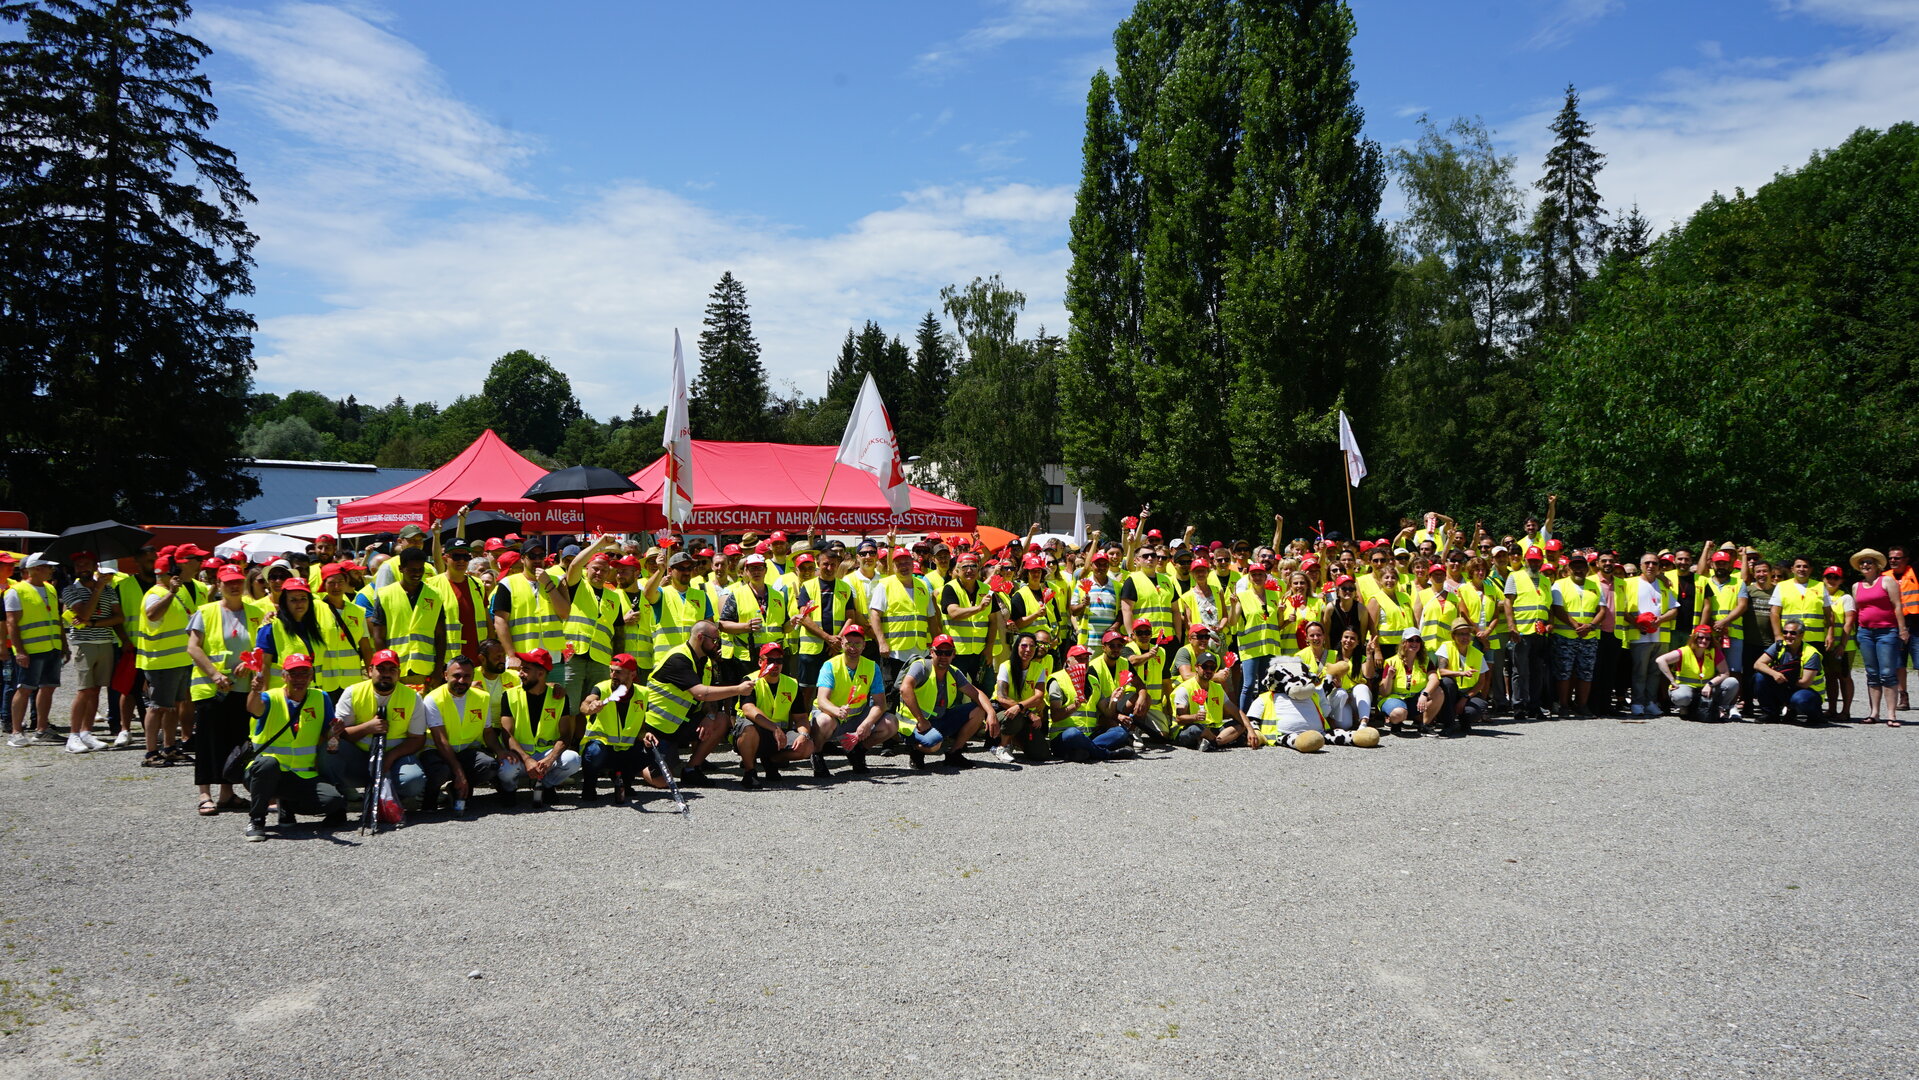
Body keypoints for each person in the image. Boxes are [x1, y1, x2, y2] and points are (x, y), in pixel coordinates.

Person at [184, 566, 266, 815]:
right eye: (228, 582)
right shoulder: (206, 611)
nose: (233, 586)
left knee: (235, 741)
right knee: (209, 742)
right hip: (212, 689)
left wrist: (250, 662)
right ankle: (204, 794)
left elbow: (261, 646)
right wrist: (214, 674)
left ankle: (227, 794)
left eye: (237, 582)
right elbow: (193, 648)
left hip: (242, 689)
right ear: (218, 584)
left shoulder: (255, 611)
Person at [240, 652, 346, 841]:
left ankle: (287, 803)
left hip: (301, 774)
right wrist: (254, 691)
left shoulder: (321, 698)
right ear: (284, 676)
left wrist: (334, 733)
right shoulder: (270, 697)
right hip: (263, 773)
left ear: (311, 675)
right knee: (268, 765)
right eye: (294, 674)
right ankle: (256, 820)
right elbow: (253, 708)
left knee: (334, 801)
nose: (299, 679)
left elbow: (327, 734)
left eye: (304, 673)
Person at [639, 619, 742, 789]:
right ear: (701, 637)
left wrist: (709, 716)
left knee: (721, 719)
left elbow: (711, 699)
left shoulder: (706, 661)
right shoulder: (678, 659)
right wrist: (738, 689)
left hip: (682, 724)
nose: (718, 645)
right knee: (662, 782)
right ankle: (639, 762)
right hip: (658, 729)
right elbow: (701, 693)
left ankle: (691, 769)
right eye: (715, 640)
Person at [329, 648, 429, 810]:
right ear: (370, 671)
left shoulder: (412, 697)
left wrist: (390, 757)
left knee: (414, 781)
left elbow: (418, 739)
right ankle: (341, 792)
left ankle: (394, 797)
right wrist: (368, 727)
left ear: (399, 673)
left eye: (392, 669)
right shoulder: (352, 692)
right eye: (380, 669)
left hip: (396, 757)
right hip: (360, 755)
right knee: (329, 753)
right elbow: (339, 736)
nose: (386, 674)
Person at [495, 647, 583, 804]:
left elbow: (565, 736)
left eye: (526, 670)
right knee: (506, 769)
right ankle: (509, 789)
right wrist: (527, 759)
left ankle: (546, 785)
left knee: (574, 760)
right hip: (519, 755)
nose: (520, 673)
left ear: (541, 674)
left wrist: (549, 760)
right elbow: (506, 733)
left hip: (545, 755)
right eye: (521, 668)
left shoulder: (559, 697)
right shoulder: (509, 695)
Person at [898, 633, 996, 768]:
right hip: (914, 722)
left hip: (938, 718)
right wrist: (921, 720)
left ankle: (954, 754)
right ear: (932, 652)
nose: (943, 656)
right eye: (939, 652)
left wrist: (991, 713)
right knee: (934, 744)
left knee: (979, 709)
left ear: (953, 654)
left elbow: (976, 693)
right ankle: (915, 750)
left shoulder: (954, 672)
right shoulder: (921, 666)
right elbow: (905, 689)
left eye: (948, 653)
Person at [807, 623, 892, 776]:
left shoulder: (872, 667)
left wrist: (867, 724)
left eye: (857, 643)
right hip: (833, 717)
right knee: (824, 721)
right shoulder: (830, 665)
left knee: (891, 723)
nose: (853, 648)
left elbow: (880, 703)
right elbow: (821, 700)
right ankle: (817, 754)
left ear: (864, 646)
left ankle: (857, 752)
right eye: (849, 643)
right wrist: (836, 711)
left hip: (857, 718)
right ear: (842, 644)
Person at [136, 553, 196, 765]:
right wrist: (171, 593)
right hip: (160, 662)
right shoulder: (156, 594)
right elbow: (152, 615)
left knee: (173, 706)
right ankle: (151, 752)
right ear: (163, 575)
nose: (176, 577)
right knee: (157, 706)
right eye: (173, 574)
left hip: (178, 660)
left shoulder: (173, 594)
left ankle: (170, 746)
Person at [58, 551, 120, 753]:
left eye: (86, 564)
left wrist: (92, 622)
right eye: (78, 566)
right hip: (84, 644)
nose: (82, 568)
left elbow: (119, 618)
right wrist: (98, 590)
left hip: (105, 641)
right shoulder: (70, 590)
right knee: (84, 690)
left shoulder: (110, 591)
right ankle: (73, 735)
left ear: (94, 566)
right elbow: (82, 612)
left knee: (96, 689)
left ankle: (86, 732)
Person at [730, 643, 811, 788]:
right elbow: (748, 709)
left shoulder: (791, 683)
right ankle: (750, 771)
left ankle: (771, 761)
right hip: (753, 731)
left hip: (778, 735)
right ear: (760, 662)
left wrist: (803, 735)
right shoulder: (750, 680)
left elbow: (801, 717)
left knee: (808, 746)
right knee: (749, 729)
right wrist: (774, 728)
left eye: (779, 661)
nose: (775, 665)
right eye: (770, 660)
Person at [416, 654, 490, 814]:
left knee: (489, 766)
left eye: (467, 676)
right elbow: (440, 740)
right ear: (445, 675)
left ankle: (457, 790)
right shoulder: (433, 699)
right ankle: (430, 798)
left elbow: (488, 731)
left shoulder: (483, 698)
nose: (462, 681)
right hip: (437, 751)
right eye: (456, 676)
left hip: (466, 751)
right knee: (439, 771)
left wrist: (501, 753)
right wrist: (459, 772)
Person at [4, 553, 65, 748]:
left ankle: (41, 729)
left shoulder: (50, 588)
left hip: (52, 647)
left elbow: (56, 617)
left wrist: (63, 644)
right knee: (24, 688)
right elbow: (11, 623)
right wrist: (19, 651)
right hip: (30, 650)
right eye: (48, 567)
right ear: (37, 568)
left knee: (48, 687)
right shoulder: (16, 591)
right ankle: (16, 732)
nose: (51, 570)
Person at [369, 547, 446, 688]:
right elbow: (379, 636)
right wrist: (385, 668)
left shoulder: (435, 595)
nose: (417, 574)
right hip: (395, 669)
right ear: (401, 569)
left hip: (425, 670)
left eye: (420, 569)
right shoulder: (385, 594)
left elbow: (440, 635)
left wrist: (438, 669)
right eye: (412, 570)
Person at [1042, 643, 1133, 762]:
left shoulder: (1093, 680)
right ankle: (1106, 754)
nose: (1084, 662)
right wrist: (1073, 707)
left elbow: (1108, 712)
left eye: (1086, 659)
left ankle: (1086, 751)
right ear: (1068, 662)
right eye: (1079, 659)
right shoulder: (1057, 680)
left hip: (1088, 736)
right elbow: (1055, 716)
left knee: (1120, 732)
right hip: (1063, 736)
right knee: (1073, 733)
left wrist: (1114, 700)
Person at [579, 651, 650, 800]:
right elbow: (585, 704)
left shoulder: (643, 693)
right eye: (611, 671)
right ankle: (589, 787)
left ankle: (625, 781)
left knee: (651, 750)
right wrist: (590, 708)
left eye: (618, 672)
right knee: (595, 753)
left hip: (626, 749)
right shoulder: (602, 688)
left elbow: (648, 720)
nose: (613, 675)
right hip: (602, 747)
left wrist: (647, 734)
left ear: (632, 674)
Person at [1848, 548, 1907, 725]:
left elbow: (1897, 606)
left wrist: (1902, 629)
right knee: (1872, 673)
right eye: (1862, 563)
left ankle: (1891, 714)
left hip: (1887, 631)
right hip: (1865, 632)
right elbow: (1858, 610)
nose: (1865, 565)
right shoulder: (1856, 586)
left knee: (1888, 673)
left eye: (1869, 562)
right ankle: (1874, 713)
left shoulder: (1887, 581)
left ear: (1877, 566)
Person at [1549, 552, 1604, 717]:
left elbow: (1602, 610)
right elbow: (1558, 610)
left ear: (1587, 569)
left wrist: (1591, 625)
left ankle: (1582, 705)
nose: (1578, 569)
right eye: (1575, 566)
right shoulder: (1559, 584)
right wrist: (1575, 626)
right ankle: (1564, 706)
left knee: (1586, 673)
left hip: (1589, 636)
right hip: (1565, 636)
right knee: (1564, 673)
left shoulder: (1594, 585)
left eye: (1581, 566)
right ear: (1568, 568)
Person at [1503, 548, 1554, 719]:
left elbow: (1548, 606)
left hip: (1540, 633)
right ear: (1525, 560)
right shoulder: (1514, 577)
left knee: (1537, 671)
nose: (1534, 563)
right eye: (1531, 560)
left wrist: (1550, 624)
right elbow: (1507, 603)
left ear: (1541, 561)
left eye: (1537, 560)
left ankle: (1534, 705)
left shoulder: (1546, 580)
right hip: (1522, 632)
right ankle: (1519, 705)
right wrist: (1511, 626)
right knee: (1520, 671)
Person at [1655, 624, 1738, 722]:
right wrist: (1672, 681)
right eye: (1700, 637)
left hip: (1707, 689)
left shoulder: (1714, 651)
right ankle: (1685, 708)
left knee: (1732, 682)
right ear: (1694, 638)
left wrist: (1709, 684)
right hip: (1687, 687)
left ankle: (1718, 708)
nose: (1704, 641)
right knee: (1681, 697)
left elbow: (1725, 673)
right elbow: (1660, 660)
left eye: (1708, 639)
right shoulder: (1684, 651)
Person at [1368, 627, 1440, 737]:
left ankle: (1424, 725)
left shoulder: (1426, 661)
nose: (1414, 643)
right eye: (1411, 640)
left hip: (1416, 699)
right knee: (1398, 713)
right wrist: (1389, 677)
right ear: (1404, 643)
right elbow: (1384, 692)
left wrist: (1425, 694)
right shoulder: (1391, 661)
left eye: (1417, 640)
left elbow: (1434, 679)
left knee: (1438, 692)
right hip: (1395, 698)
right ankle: (1395, 722)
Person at [1171, 651, 1250, 750]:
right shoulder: (1184, 689)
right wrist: (1195, 717)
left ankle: (1213, 743)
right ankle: (1217, 741)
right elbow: (1179, 719)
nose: (1208, 670)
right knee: (1196, 729)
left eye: (1212, 668)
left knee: (1240, 724)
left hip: (1213, 728)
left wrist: (1250, 729)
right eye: (1204, 666)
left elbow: (1236, 711)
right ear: (1196, 667)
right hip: (1189, 729)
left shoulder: (1217, 688)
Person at [991, 630, 1051, 760]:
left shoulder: (1038, 668)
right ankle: (1003, 746)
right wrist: (1027, 712)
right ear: (1016, 647)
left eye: (1032, 646)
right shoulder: (1005, 666)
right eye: (1024, 645)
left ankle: (1015, 740)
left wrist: (1020, 707)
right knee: (1015, 716)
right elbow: (1002, 697)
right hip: (1003, 712)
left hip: (1022, 712)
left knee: (1042, 755)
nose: (1028, 649)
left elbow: (1039, 696)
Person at [1751, 621, 1825, 725]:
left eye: (1792, 633)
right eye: (1785, 632)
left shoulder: (1811, 653)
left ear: (1802, 634)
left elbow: (1805, 683)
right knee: (1759, 677)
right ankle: (1771, 714)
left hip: (1809, 691)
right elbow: (1758, 664)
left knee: (1800, 700)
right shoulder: (1779, 646)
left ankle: (1815, 715)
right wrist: (1774, 674)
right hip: (1786, 685)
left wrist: (1784, 677)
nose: (1788, 636)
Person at [1434, 619, 1490, 736]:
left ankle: (1465, 722)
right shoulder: (1446, 647)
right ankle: (1448, 724)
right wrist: (1461, 673)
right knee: (1447, 682)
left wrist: (1464, 698)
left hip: (1468, 693)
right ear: (1454, 636)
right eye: (1461, 634)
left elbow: (1481, 683)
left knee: (1476, 709)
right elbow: (1441, 671)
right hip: (1452, 691)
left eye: (1467, 634)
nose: (1465, 637)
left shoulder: (1477, 654)